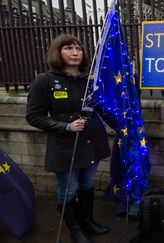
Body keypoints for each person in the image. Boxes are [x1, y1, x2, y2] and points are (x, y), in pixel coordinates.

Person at [26, 34, 117, 243]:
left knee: (87, 182)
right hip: (65, 146)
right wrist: (65, 126)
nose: (75, 52)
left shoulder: (89, 80)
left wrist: (123, 127)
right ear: (57, 52)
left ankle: (88, 222)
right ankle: (75, 230)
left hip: (92, 143)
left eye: (78, 48)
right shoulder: (45, 81)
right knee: (69, 188)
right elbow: (33, 117)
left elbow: (102, 109)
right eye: (68, 48)